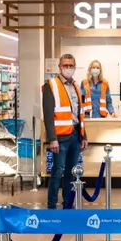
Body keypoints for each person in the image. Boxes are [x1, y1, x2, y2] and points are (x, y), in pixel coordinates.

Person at [42, 54, 88, 209]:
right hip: (60, 137)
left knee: (71, 171)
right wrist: (52, 138)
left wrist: (83, 136)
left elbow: (79, 113)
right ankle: (52, 204)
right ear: (60, 67)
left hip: (75, 135)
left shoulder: (75, 86)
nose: (68, 68)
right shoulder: (51, 84)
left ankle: (68, 202)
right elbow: (48, 114)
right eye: (65, 65)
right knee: (57, 171)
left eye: (71, 65)